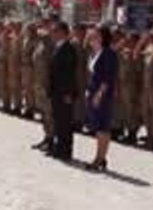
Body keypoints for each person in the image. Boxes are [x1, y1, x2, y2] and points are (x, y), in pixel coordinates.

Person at [85, 26, 118, 171]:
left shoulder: (108, 53)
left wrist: (99, 94)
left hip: (103, 95)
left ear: (102, 37)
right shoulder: (94, 53)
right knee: (97, 127)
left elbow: (108, 77)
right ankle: (100, 157)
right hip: (93, 92)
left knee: (102, 127)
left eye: (95, 34)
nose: (91, 36)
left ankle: (99, 158)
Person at [48, 21, 79, 161]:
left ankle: (66, 151)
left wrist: (69, 93)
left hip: (65, 92)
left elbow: (70, 74)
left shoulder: (69, 49)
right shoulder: (57, 47)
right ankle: (59, 147)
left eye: (55, 30)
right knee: (58, 121)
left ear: (62, 32)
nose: (52, 33)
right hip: (56, 91)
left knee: (65, 122)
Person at [31, 21, 54, 150]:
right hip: (38, 82)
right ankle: (46, 137)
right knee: (43, 113)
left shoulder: (49, 46)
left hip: (46, 84)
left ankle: (51, 139)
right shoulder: (39, 45)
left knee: (49, 114)